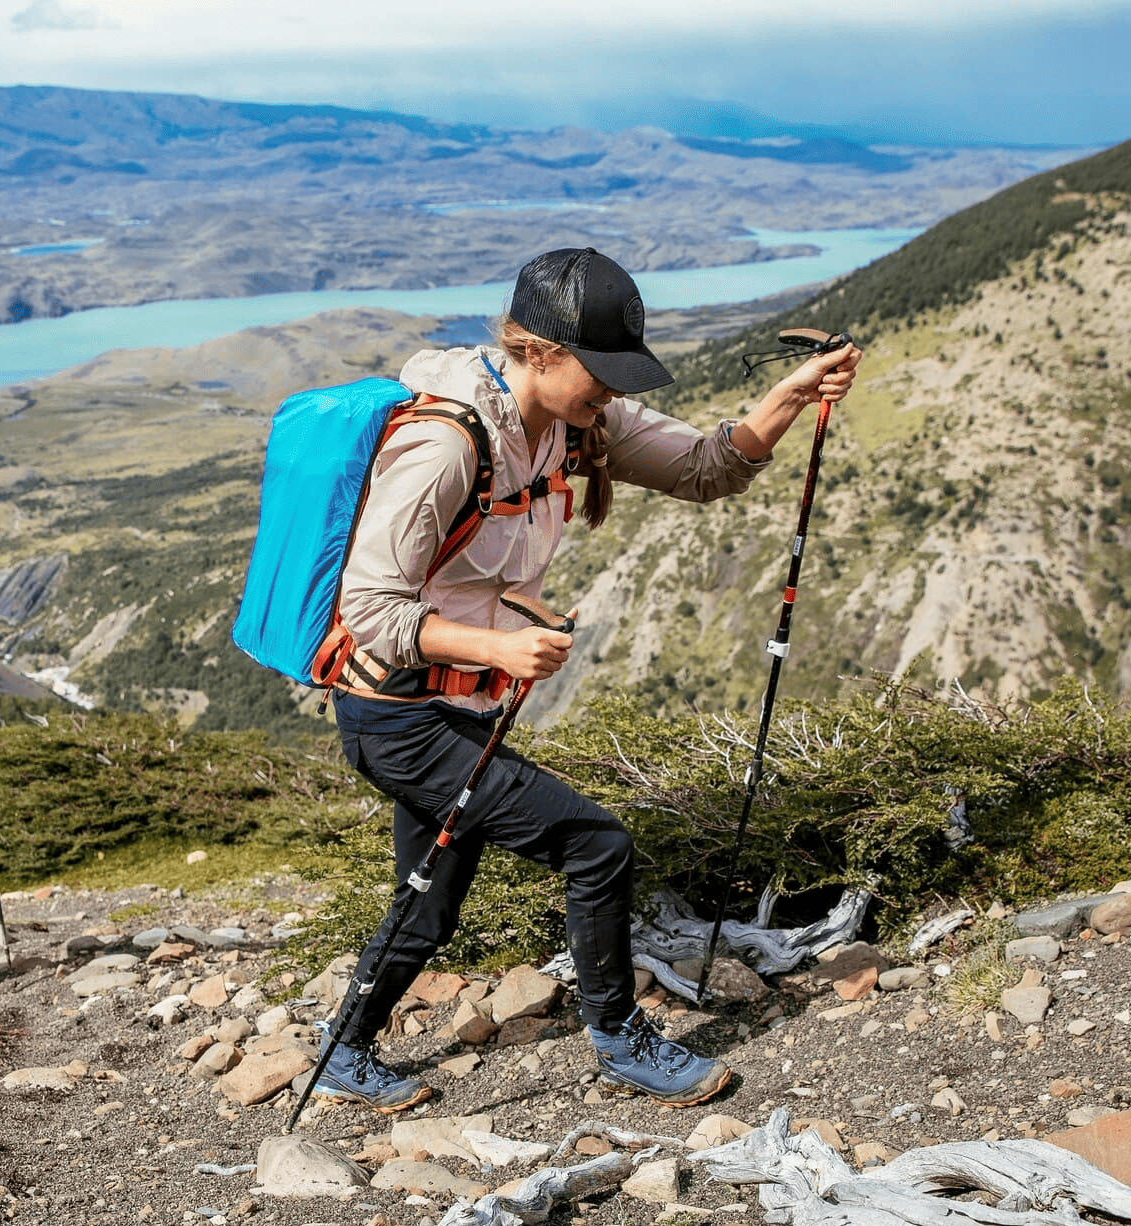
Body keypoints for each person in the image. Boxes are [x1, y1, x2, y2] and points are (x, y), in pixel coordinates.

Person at [313, 248, 863, 1112]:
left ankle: (343, 1052)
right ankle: (618, 1039)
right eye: (597, 371)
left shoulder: (576, 422)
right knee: (595, 843)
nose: (610, 389)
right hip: (397, 716)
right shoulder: (441, 447)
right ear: (535, 350)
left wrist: (792, 395)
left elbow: (704, 469)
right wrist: (496, 650)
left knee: (429, 901)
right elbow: (371, 609)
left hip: (462, 709)